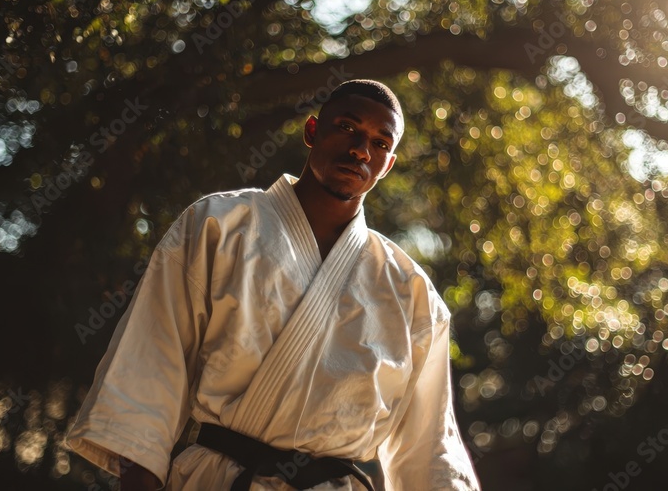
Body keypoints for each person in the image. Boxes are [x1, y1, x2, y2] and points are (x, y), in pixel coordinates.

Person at [65, 79, 481, 490]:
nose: (360, 150)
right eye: (347, 128)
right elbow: (151, 369)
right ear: (312, 130)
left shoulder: (411, 293)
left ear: (387, 165)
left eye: (380, 143)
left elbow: (430, 448)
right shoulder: (218, 226)